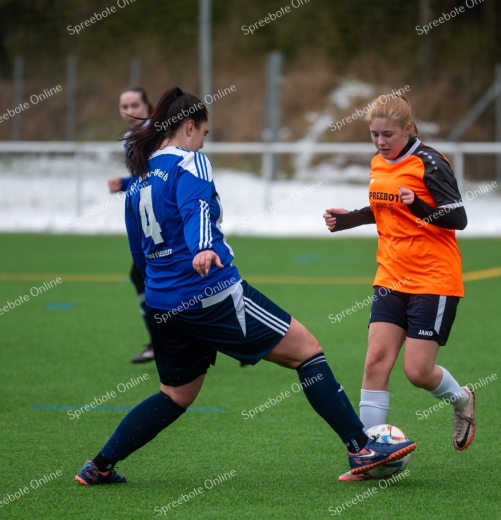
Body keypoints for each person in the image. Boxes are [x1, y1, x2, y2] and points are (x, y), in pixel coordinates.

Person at [75, 87, 415, 486]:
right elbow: (196, 207)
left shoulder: (142, 177)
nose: (204, 141)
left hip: (164, 302)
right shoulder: (191, 161)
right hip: (212, 295)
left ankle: (98, 466)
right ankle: (361, 448)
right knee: (308, 352)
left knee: (175, 395)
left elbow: (137, 247)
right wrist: (202, 247)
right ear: (189, 126)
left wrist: (161, 286)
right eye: (204, 132)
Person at [323, 94, 474, 481]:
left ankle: (462, 400)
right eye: (373, 134)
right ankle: (367, 455)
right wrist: (348, 220)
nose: (379, 142)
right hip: (391, 277)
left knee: (418, 372)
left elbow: (458, 217)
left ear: (408, 129)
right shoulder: (378, 163)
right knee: (375, 363)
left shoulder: (430, 162)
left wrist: (419, 206)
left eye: (387, 134)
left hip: (433, 279)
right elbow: (382, 208)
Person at [107, 87, 156, 363]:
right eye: (124, 105)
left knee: (146, 275)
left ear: (147, 106)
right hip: (149, 220)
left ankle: (160, 343)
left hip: (163, 219)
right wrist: (125, 184)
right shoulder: (130, 137)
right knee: (144, 276)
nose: (130, 110)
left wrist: (127, 184)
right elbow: (145, 179)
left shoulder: (155, 133)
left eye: (135, 104)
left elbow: (160, 175)